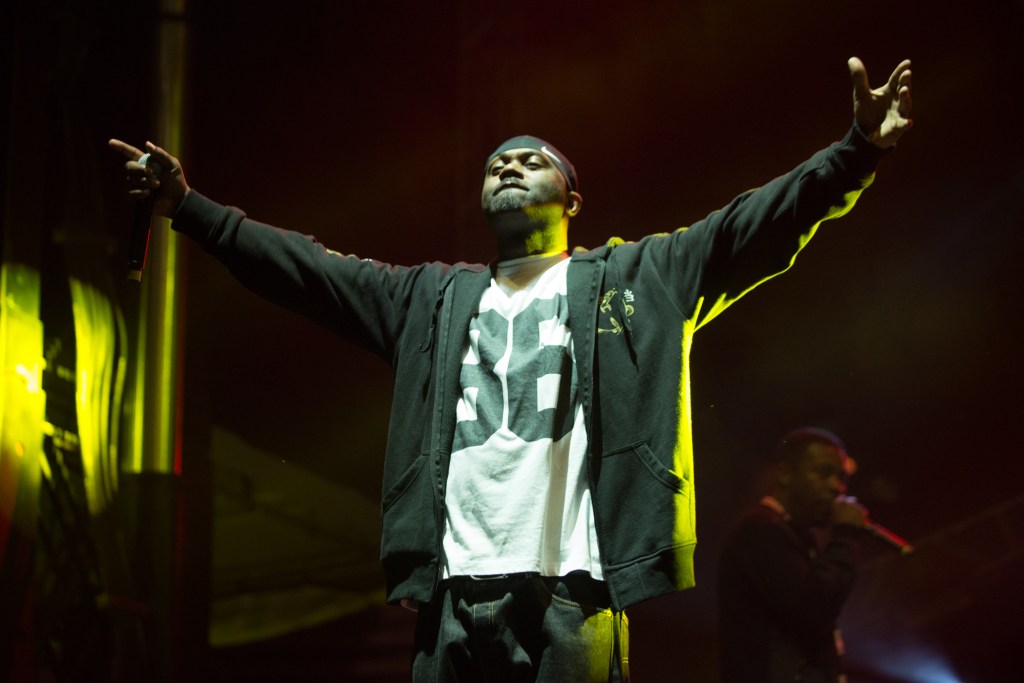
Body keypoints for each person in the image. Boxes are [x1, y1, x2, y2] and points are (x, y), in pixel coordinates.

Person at [110, 56, 912, 682]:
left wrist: (853, 154)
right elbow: (310, 272)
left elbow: (751, 227)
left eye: (532, 159)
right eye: (497, 161)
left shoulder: (636, 279)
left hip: (572, 590)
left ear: (572, 197)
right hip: (454, 595)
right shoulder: (429, 298)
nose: (509, 165)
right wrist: (193, 209)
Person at [716, 428, 871, 683]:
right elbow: (813, 607)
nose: (836, 487)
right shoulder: (760, 530)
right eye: (824, 473)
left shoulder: (793, 534)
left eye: (842, 477)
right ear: (786, 474)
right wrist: (844, 537)